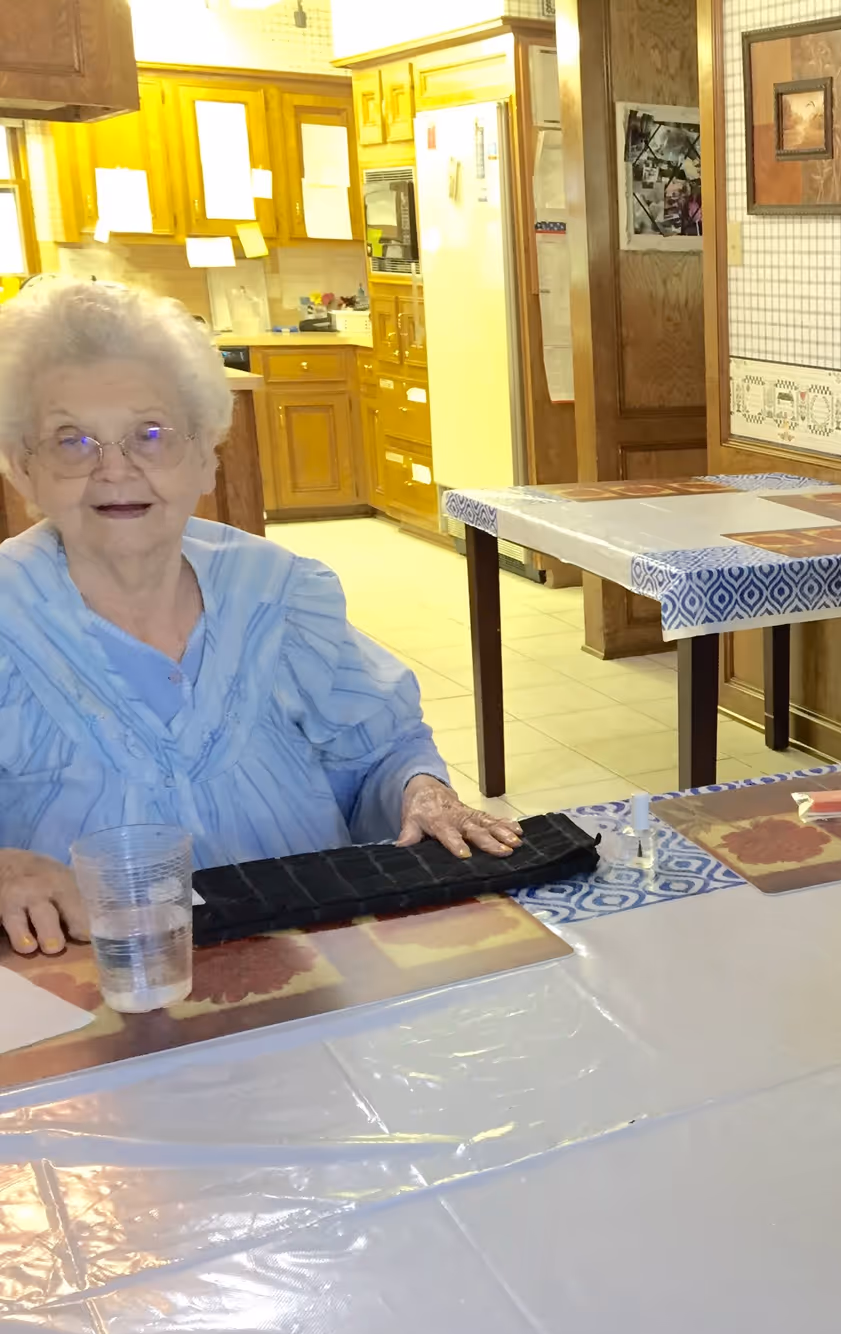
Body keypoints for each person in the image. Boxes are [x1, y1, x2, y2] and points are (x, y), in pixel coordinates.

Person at [0, 278, 522, 957]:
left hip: (312, 975)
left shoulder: (279, 592)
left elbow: (381, 754)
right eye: (72, 441)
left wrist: (423, 792)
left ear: (205, 459)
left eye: (150, 434)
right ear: (22, 469)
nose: (115, 469)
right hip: (87, 1004)